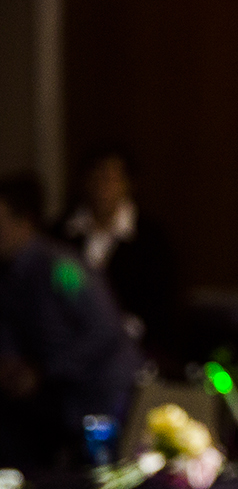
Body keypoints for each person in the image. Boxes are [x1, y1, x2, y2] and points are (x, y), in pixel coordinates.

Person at [0, 170, 143, 468]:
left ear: (23, 221)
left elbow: (103, 328)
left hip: (98, 392)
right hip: (56, 391)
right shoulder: (9, 273)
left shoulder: (61, 269)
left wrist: (42, 371)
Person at [61, 152, 179, 356]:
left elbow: (160, 302)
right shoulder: (63, 234)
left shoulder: (150, 238)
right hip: (69, 345)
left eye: (111, 179)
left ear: (128, 184)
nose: (102, 187)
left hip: (130, 350)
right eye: (96, 178)